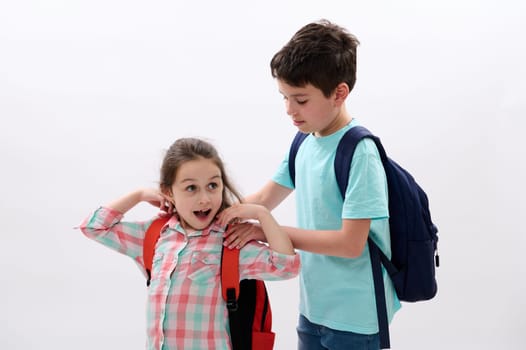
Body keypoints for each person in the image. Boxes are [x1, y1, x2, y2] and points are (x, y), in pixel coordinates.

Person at [219, 19, 401, 350]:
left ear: (339, 93)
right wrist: (201, 215)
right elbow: (261, 200)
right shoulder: (304, 141)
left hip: (356, 317)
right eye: (284, 97)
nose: (290, 110)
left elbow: (350, 244)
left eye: (300, 100)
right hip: (313, 309)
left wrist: (266, 230)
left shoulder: (360, 152)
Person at [77, 137, 300, 350]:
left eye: (213, 185)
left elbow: (286, 266)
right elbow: (94, 227)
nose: (204, 198)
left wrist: (263, 215)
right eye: (191, 188)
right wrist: (139, 195)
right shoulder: (153, 234)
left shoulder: (231, 242)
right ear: (168, 192)